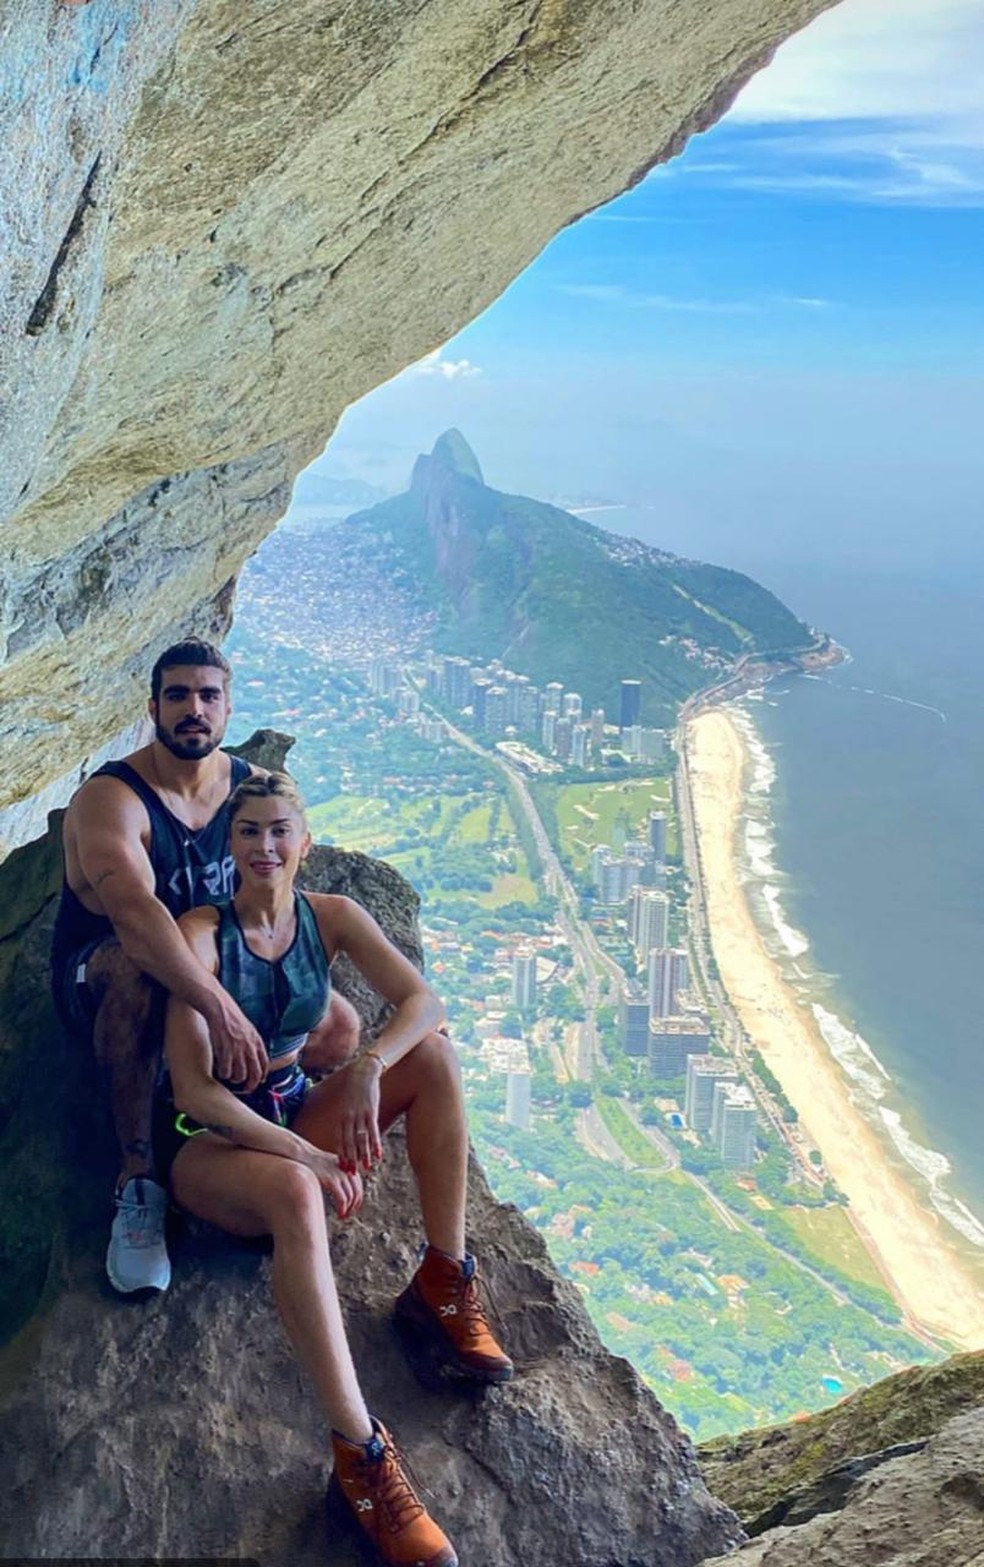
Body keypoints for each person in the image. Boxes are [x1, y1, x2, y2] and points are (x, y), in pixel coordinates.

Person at [162, 772, 513, 1567]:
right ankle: (361, 1456)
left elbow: (423, 1002)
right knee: (294, 1189)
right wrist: (309, 1155)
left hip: (291, 1105)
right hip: (210, 1145)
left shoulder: (333, 917)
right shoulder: (200, 937)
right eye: (247, 830)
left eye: (280, 829)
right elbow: (193, 1090)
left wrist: (364, 1066)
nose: (265, 845)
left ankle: (443, 1280)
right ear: (228, 844)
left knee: (435, 1060)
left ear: (305, 841)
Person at [51, 639, 360, 1296]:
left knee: (338, 1026)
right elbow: (135, 915)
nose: (194, 708)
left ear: (226, 706)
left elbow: (279, 891)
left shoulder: (243, 788)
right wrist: (222, 1009)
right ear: (154, 706)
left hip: (215, 965)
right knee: (139, 979)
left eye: (208, 695)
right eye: (178, 695)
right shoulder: (114, 797)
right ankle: (139, 1178)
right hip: (113, 978)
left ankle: (247, 1120)